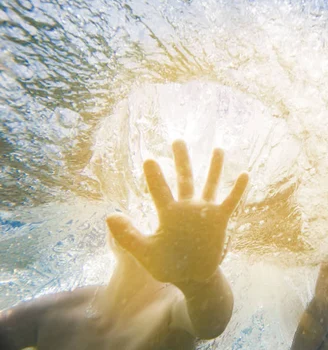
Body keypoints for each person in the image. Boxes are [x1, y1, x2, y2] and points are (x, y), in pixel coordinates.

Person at [0, 139, 249, 350]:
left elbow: (212, 322)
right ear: (111, 233)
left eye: (166, 225)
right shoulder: (57, 309)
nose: (157, 231)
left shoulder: (169, 312)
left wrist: (199, 279)